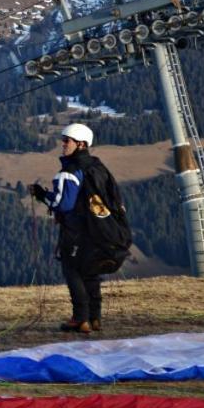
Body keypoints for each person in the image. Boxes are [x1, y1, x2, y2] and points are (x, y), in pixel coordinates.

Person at [29, 123, 119, 333]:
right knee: (91, 272)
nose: (63, 144)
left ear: (80, 144)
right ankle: (95, 318)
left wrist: (42, 195)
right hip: (99, 229)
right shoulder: (98, 167)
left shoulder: (69, 170)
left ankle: (80, 319)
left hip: (76, 232)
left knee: (73, 271)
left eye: (67, 140)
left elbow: (63, 204)